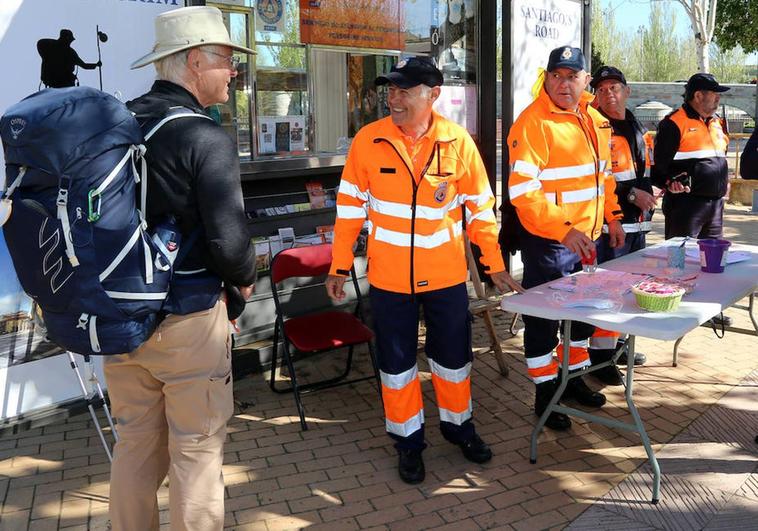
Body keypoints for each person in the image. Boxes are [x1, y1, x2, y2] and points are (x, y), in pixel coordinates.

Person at [326, 56, 523, 484]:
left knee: (453, 360)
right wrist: (339, 266)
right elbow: (347, 212)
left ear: (432, 95)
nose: (393, 99)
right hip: (390, 280)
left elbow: (481, 212)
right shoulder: (368, 140)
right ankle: (408, 442)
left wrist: (492, 266)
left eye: (404, 90)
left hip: (447, 278)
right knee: (396, 367)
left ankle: (459, 429)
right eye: (391, 90)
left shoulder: (458, 143)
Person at [105, 7, 256, 530]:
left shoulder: (118, 123)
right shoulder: (205, 138)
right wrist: (242, 283)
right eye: (226, 60)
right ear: (195, 61)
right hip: (189, 323)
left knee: (135, 449)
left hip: (120, 320)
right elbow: (232, 246)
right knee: (196, 453)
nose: (233, 72)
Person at [507, 46, 625, 431]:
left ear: (585, 80)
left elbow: (604, 179)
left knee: (581, 317)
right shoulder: (532, 123)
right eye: (556, 75)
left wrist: (614, 218)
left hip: (588, 240)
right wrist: (564, 230)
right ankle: (545, 396)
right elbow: (523, 193)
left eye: (572, 76)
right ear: (547, 78)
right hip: (551, 244)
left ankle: (572, 383)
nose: (563, 83)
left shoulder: (594, 120)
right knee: (544, 321)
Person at [587, 66, 654, 384]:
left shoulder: (633, 123)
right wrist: (631, 196)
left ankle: (619, 345)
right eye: (601, 89)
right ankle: (601, 358)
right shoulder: (593, 126)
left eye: (614, 87)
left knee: (630, 290)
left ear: (627, 91)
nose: (608, 93)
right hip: (611, 225)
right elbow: (596, 178)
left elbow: (638, 168)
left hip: (637, 225)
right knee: (608, 292)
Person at [652, 72, 731, 325]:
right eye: (714, 94)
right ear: (698, 96)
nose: (718, 99)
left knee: (712, 263)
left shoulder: (717, 122)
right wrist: (669, 183)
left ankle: (708, 308)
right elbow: (658, 168)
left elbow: (720, 157)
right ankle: (674, 305)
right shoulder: (673, 123)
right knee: (678, 260)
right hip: (685, 205)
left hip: (715, 205)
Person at [37, 29, 101, 88]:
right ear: (66, 38)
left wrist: (95, 65)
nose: (70, 42)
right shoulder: (69, 52)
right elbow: (84, 65)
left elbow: (84, 65)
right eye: (70, 39)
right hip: (60, 81)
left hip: (58, 81)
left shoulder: (49, 45)